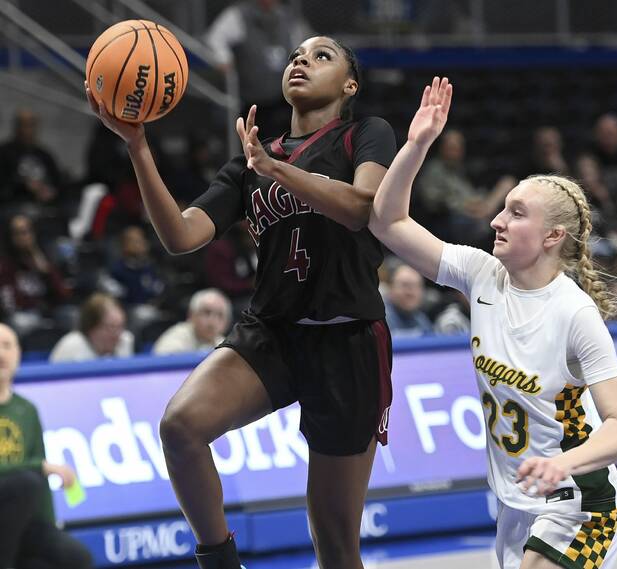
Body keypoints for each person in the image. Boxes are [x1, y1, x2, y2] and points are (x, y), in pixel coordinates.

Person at [86, 34, 396, 569]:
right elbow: (182, 236)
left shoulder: (364, 134)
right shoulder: (252, 158)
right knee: (180, 427)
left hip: (346, 339)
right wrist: (138, 146)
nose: (301, 59)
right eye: (296, 53)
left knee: (337, 545)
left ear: (350, 85)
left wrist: (274, 169)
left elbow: (361, 207)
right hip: (271, 332)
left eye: (321, 55)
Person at [369, 77, 617, 569]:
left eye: (516, 214)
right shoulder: (481, 275)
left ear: (552, 235)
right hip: (517, 506)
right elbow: (387, 222)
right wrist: (417, 144)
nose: (497, 220)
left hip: (580, 506)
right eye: (502, 208)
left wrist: (560, 464)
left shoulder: (574, 314)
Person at [0, 323, 93, 568]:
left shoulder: (27, 409)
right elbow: (35, 472)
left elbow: (38, 482)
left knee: (75, 557)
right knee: (26, 482)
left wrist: (51, 525)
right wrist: (38, 467)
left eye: (7, 346)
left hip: (21, 519)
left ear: (18, 354)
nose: (1, 354)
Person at [204, 0, 313, 139]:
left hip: (283, 99)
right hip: (252, 101)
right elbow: (215, 38)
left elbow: (306, 43)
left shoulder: (288, 17)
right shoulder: (239, 15)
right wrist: (223, 58)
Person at [49, 292, 134, 362]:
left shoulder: (126, 340)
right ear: (91, 327)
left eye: (120, 326)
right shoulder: (71, 346)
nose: (117, 334)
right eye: (111, 327)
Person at [153, 289, 231, 355]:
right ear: (191, 315)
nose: (212, 322)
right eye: (207, 313)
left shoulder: (225, 345)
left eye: (220, 315)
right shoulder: (175, 338)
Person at [384, 264, 432, 337]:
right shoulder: (379, 321)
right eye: (404, 285)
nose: (410, 293)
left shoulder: (422, 321)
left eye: (416, 286)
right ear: (391, 289)